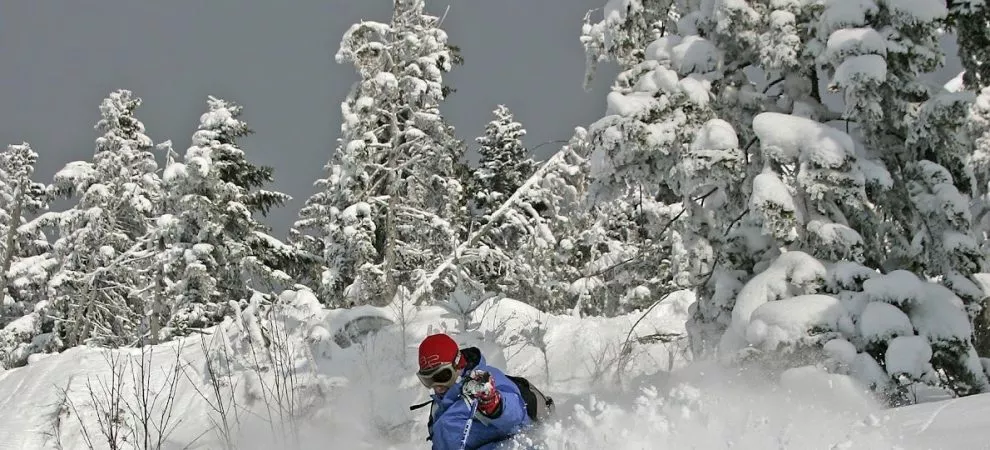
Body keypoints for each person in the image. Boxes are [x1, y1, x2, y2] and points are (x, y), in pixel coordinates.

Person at [417, 333, 531, 450]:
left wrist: (494, 405)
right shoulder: (439, 405)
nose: (437, 387)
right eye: (428, 380)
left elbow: (519, 416)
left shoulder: (485, 381)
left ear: (458, 364)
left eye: (442, 376)